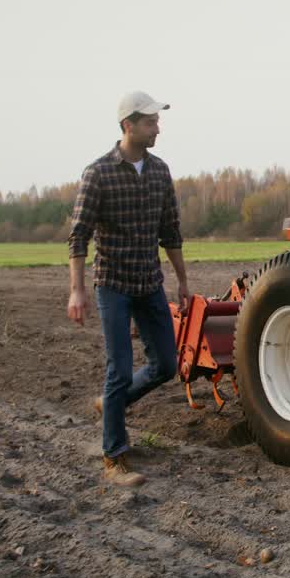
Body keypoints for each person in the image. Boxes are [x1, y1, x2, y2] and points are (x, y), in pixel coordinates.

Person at [66, 91, 189, 486]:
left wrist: (183, 281)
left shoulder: (159, 172)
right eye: (151, 122)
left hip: (149, 282)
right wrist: (77, 290)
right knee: (118, 368)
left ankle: (110, 406)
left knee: (166, 365)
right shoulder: (97, 173)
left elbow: (170, 231)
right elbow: (78, 237)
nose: (158, 128)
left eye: (157, 121)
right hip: (113, 284)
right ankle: (114, 457)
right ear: (128, 125)